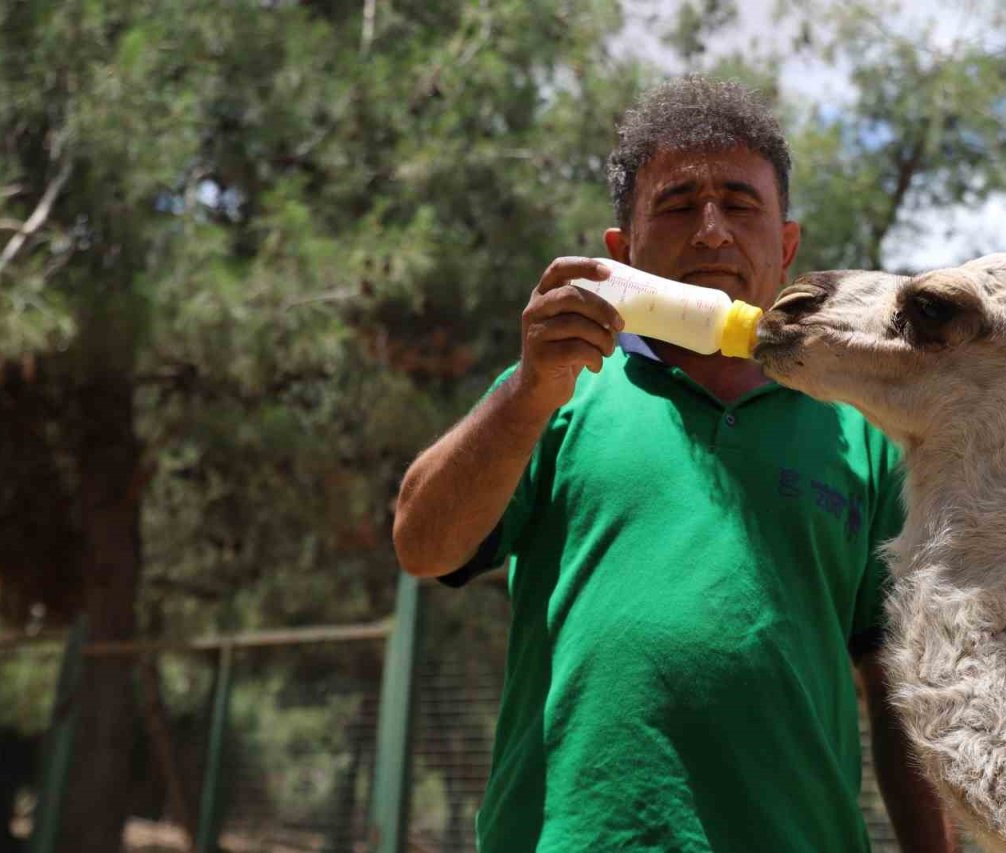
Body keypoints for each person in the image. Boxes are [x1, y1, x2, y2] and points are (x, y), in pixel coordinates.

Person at [393, 76, 959, 852]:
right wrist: (527, 391)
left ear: (787, 246)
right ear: (620, 252)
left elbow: (898, 683)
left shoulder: (860, 429)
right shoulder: (555, 390)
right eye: (677, 204)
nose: (713, 231)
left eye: (740, 202)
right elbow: (421, 543)